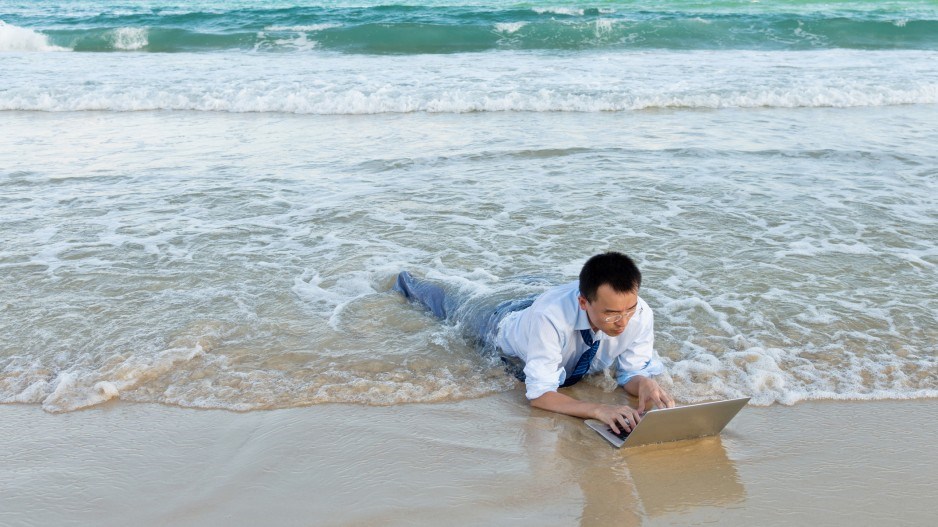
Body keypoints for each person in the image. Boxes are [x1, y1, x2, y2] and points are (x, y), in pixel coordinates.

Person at [393, 251, 674, 435]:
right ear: (583, 302)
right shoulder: (549, 317)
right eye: (611, 314)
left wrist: (645, 383)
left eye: (629, 310)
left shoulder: (640, 313)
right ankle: (402, 279)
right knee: (446, 303)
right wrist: (599, 409)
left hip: (543, 299)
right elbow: (539, 395)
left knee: (538, 287)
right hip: (500, 320)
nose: (623, 322)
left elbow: (629, 374)